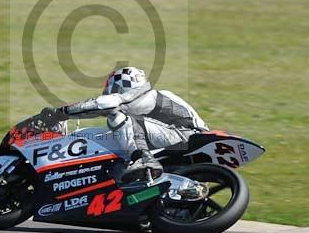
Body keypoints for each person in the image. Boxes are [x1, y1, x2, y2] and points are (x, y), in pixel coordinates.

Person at [40, 67, 208, 182]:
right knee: (115, 133)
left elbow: (105, 105)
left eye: (111, 89)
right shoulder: (150, 99)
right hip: (179, 140)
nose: (109, 93)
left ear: (121, 85)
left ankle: (143, 160)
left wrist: (61, 113)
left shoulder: (144, 96)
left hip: (185, 136)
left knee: (117, 117)